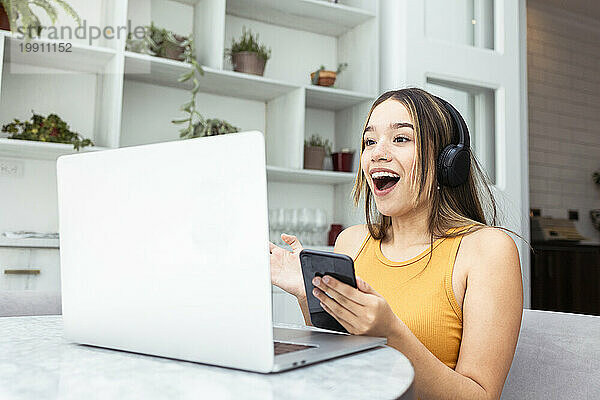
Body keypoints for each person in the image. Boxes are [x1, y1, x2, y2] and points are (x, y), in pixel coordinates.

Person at [269, 88, 523, 399]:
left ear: (448, 162)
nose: (377, 153)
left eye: (401, 139)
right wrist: (308, 295)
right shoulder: (351, 241)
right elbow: (340, 365)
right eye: (369, 141)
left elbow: (481, 396)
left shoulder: (487, 250)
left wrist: (390, 332)